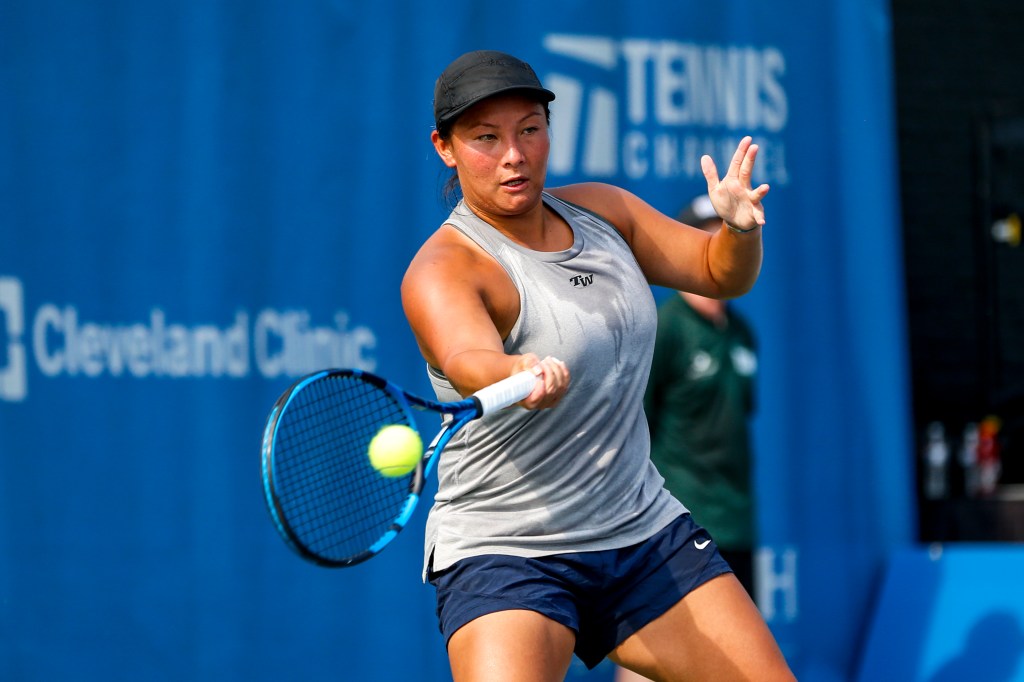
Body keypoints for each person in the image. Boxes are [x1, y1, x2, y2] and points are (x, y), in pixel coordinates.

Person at [401, 50, 793, 682]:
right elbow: (466, 357)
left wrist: (739, 232)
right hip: (510, 550)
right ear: (444, 147)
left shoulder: (604, 212)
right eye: (485, 138)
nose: (514, 155)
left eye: (530, 129)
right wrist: (514, 371)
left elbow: (720, 274)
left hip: (639, 530)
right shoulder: (444, 269)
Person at [614, 197, 761, 682]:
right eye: (703, 235)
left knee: (734, 663)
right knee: (656, 660)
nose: (714, 244)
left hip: (736, 521)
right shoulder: (666, 328)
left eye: (721, 234)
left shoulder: (742, 333)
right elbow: (636, 422)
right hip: (672, 523)